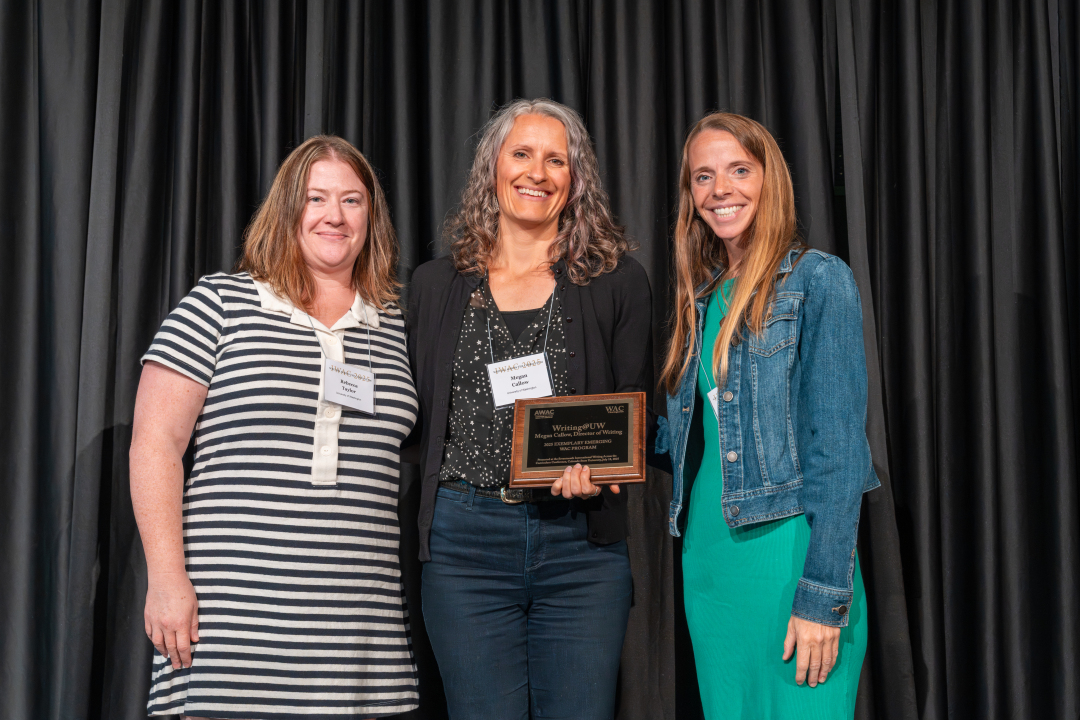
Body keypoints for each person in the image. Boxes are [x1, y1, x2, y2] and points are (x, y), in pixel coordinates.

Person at [130, 135, 419, 719]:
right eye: (315, 198)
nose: (333, 216)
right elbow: (154, 444)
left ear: (373, 216)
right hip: (231, 623)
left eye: (352, 200)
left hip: (359, 632)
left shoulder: (396, 328)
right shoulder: (220, 304)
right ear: (288, 210)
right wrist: (166, 579)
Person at [406, 98, 652, 720]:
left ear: (575, 180)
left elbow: (639, 415)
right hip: (463, 548)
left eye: (555, 160)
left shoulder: (617, 282)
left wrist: (602, 470)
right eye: (522, 154)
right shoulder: (435, 285)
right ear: (493, 167)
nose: (537, 172)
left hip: (581, 550)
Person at [652, 112, 879, 718]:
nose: (720, 189)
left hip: (791, 560)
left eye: (738, 170)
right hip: (709, 563)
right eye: (703, 176)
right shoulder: (699, 302)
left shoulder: (819, 281)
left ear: (769, 178)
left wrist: (822, 596)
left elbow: (839, 453)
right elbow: (676, 439)